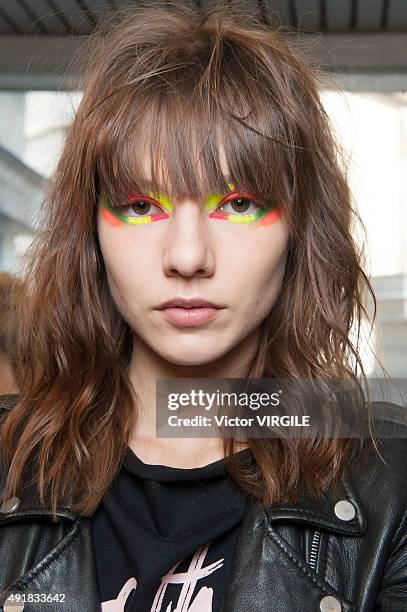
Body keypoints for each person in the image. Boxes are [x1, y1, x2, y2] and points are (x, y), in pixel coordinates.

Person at [0, 2, 406, 611]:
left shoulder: (391, 481)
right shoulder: (9, 457)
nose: (188, 256)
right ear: (90, 232)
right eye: (140, 205)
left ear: (301, 228)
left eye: (238, 202)